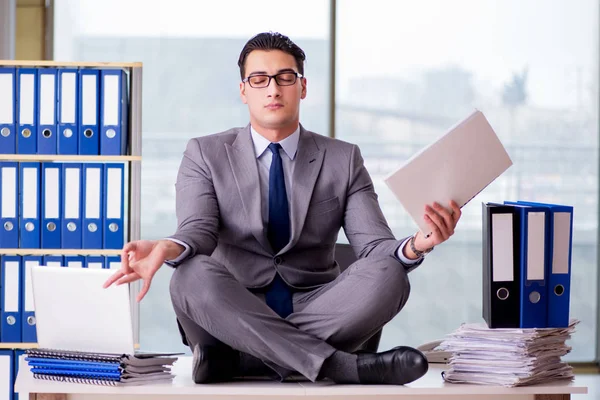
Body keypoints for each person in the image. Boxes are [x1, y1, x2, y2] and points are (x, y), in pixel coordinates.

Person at [104, 31, 461, 385]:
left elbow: (374, 247)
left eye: (285, 78)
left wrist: (418, 244)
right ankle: (339, 366)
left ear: (302, 87)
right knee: (189, 275)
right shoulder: (205, 153)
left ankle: (243, 359)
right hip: (233, 305)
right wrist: (168, 245)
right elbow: (198, 231)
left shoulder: (343, 158)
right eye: (259, 79)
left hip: (316, 304)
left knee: (389, 273)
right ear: (244, 91)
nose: (273, 89)